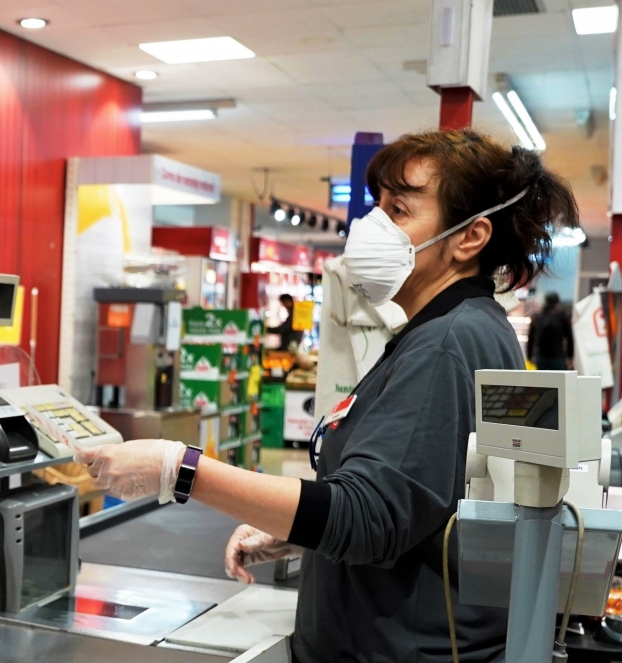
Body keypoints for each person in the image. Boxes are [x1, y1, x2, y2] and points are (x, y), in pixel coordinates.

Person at [74, 128, 579, 663]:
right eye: (378, 207)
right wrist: (304, 535)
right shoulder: (462, 329)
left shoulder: (445, 344)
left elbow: (367, 516)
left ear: (469, 238)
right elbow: (425, 503)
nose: (373, 227)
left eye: (400, 210)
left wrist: (178, 468)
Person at [527, 292, 575, 370]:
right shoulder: (562, 316)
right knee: (558, 381)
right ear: (557, 302)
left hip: (539, 356)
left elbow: (530, 339)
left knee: (541, 381)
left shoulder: (537, 316)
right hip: (557, 356)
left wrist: (529, 356)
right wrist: (570, 355)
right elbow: (569, 337)